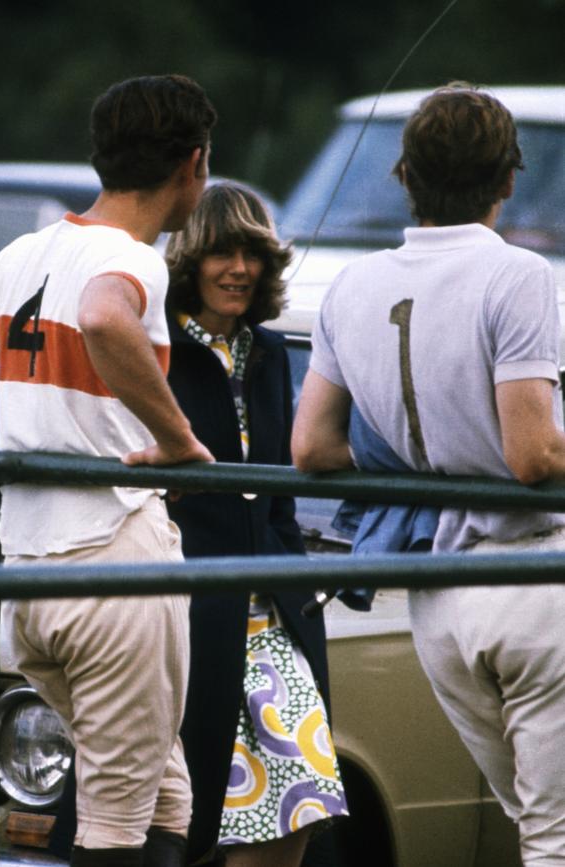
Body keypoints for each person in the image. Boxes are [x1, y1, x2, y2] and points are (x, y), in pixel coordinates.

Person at [0, 73, 217, 867]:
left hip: (27, 582)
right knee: (116, 825)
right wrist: (179, 437)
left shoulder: (26, 253)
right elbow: (103, 314)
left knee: (166, 795)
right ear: (193, 165)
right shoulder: (134, 261)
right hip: (115, 563)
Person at [292, 82, 565, 866]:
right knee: (552, 837)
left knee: (535, 823)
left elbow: (310, 446)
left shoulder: (351, 285)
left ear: (404, 176)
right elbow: (532, 454)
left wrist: (423, 447)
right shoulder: (516, 275)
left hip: (437, 601)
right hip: (532, 577)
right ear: (510, 179)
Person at [164, 182, 348, 866]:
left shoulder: (269, 354)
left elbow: (278, 500)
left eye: (253, 253)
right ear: (192, 259)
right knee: (194, 813)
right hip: (188, 614)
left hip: (272, 612)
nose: (238, 268)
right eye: (221, 252)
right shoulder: (157, 349)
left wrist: (297, 583)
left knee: (305, 794)